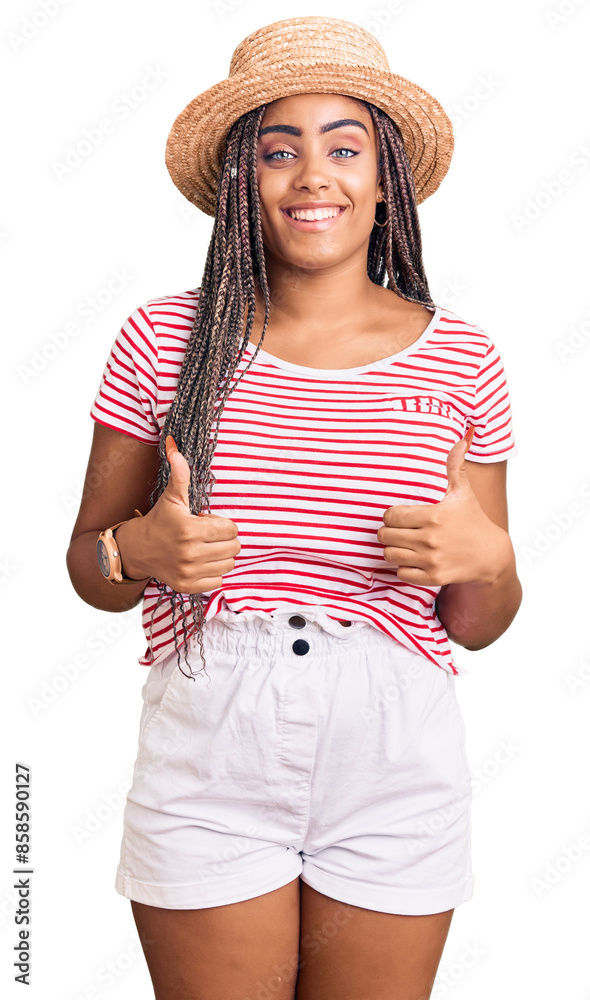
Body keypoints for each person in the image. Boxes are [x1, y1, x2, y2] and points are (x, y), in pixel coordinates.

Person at [66, 15, 522, 1000]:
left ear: (383, 179)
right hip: (211, 739)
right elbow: (89, 566)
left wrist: (484, 559)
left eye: (342, 147)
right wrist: (139, 546)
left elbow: (477, 625)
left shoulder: (462, 359)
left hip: (395, 744)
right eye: (277, 151)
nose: (312, 175)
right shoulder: (160, 340)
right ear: (241, 182)